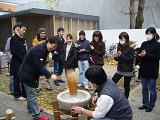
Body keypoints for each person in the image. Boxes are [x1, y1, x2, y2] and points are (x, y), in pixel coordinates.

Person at [18, 36, 59, 120]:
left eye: (55, 47)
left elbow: (39, 65)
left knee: (31, 94)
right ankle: (36, 115)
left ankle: (31, 108)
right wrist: (50, 75)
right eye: (53, 46)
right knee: (32, 94)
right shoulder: (39, 50)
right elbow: (40, 66)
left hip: (31, 73)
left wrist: (41, 74)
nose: (53, 49)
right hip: (27, 74)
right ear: (48, 42)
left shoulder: (44, 48)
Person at [138, 27, 160, 112]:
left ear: (154, 34)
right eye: (147, 33)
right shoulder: (144, 43)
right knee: (144, 88)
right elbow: (140, 54)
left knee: (152, 89)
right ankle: (145, 103)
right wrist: (139, 55)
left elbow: (157, 57)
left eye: (149, 33)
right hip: (143, 69)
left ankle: (151, 105)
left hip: (152, 70)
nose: (148, 35)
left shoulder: (158, 45)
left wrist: (146, 55)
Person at [112, 32, 134, 99]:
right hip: (120, 69)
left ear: (126, 39)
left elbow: (130, 59)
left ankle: (125, 98)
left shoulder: (130, 48)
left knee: (126, 85)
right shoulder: (119, 46)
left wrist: (121, 55)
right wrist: (115, 56)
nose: (121, 40)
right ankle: (113, 95)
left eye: (122, 39)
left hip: (128, 70)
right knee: (112, 82)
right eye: (120, 39)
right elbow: (117, 59)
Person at [10, 23, 27, 100]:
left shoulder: (22, 39)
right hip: (16, 63)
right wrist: (23, 59)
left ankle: (24, 94)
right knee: (17, 79)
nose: (24, 31)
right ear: (18, 29)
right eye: (23, 29)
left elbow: (24, 51)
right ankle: (17, 95)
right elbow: (14, 52)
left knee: (23, 78)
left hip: (23, 63)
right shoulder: (13, 39)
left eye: (25, 30)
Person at [5, 24, 20, 95]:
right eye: (17, 29)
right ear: (14, 30)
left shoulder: (22, 39)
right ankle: (11, 91)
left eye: (19, 29)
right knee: (12, 76)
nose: (18, 31)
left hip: (20, 61)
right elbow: (7, 50)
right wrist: (12, 57)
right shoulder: (10, 39)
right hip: (13, 61)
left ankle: (18, 90)